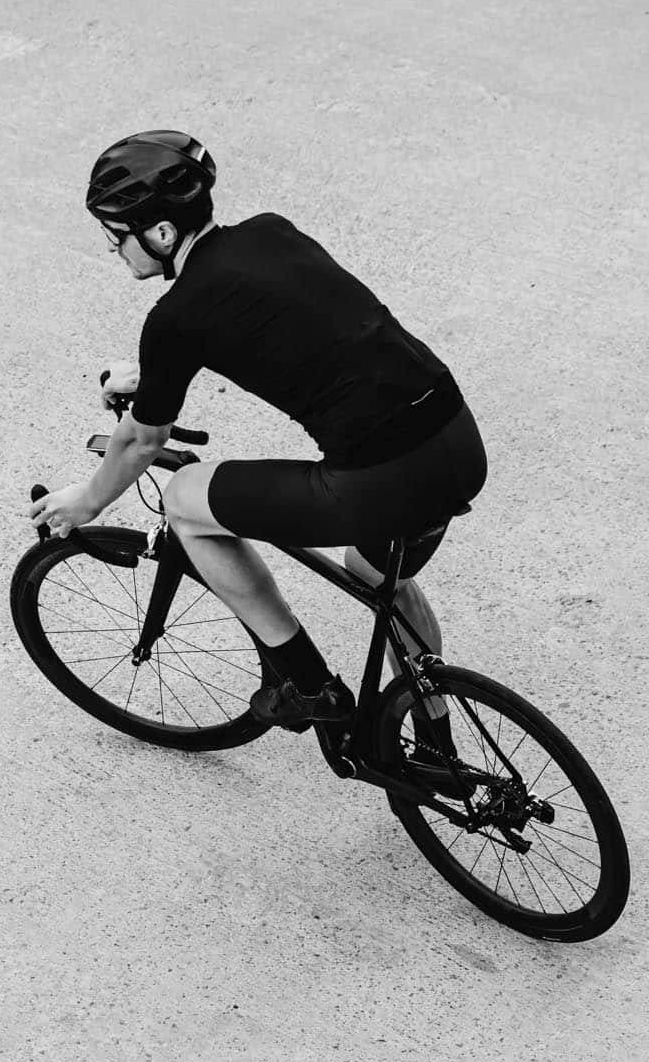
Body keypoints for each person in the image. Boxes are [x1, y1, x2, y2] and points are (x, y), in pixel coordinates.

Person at [29, 130, 487, 755]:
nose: (114, 248)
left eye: (117, 235)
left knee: (185, 497)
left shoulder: (175, 318)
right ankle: (436, 740)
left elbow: (139, 440)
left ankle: (307, 683)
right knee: (376, 575)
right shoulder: (273, 234)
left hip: (379, 479)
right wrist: (152, 375)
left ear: (160, 233)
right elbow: (299, 323)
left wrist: (87, 500)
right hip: (454, 442)